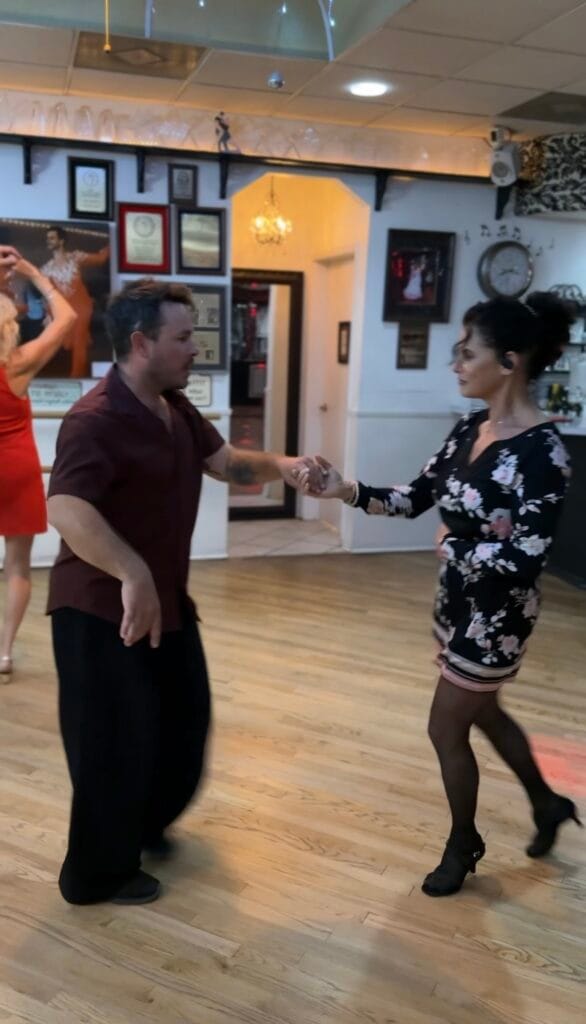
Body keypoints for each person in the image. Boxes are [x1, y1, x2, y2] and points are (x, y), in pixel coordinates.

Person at [46, 277, 323, 906]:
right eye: (183, 337)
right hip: (98, 610)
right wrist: (132, 571)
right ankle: (94, 876)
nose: (196, 348)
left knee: (182, 725)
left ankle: (143, 826)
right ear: (141, 343)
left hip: (164, 601)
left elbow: (226, 463)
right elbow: (65, 508)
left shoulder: (174, 407)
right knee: (111, 744)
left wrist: (285, 467)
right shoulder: (95, 418)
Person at [299, 292, 582, 897]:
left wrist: (455, 547)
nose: (456, 365)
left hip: (498, 619)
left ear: (509, 362)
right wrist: (344, 489)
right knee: (484, 712)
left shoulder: (545, 454)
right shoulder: (468, 430)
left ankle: (463, 843)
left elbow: (526, 559)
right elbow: (415, 497)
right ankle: (547, 803)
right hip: (456, 605)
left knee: (445, 728)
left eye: (466, 353)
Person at [0, 245, 76, 678]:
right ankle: (4, 652)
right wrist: (32, 272)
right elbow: (67, 318)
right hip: (16, 468)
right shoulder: (19, 363)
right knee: (17, 566)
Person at [41, 225, 110, 378]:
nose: (48, 241)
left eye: (52, 238)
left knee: (80, 342)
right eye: (47, 238)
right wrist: (48, 315)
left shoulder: (75, 258)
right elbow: (49, 295)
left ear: (61, 241)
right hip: (63, 312)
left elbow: (100, 259)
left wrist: (114, 242)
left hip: (81, 308)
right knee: (60, 343)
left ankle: (77, 377)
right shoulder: (47, 269)